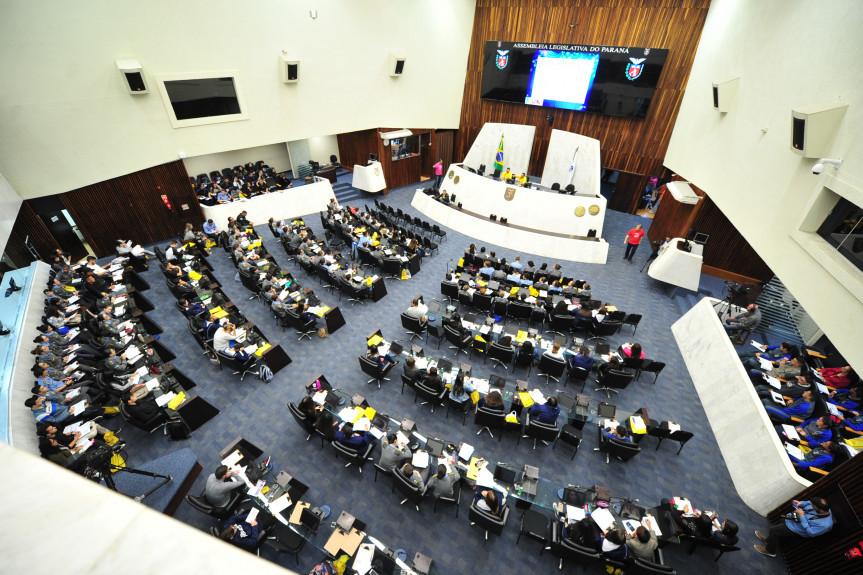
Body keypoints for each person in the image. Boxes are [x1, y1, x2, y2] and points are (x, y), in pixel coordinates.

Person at [754, 498, 833, 558]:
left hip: (795, 528)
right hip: (792, 518)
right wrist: (801, 503)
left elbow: (811, 533)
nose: (811, 506)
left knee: (773, 530)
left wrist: (802, 517)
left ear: (821, 510)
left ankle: (770, 551)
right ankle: (769, 541)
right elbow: (809, 502)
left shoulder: (825, 525)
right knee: (777, 528)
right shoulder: (822, 506)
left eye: (814, 507)